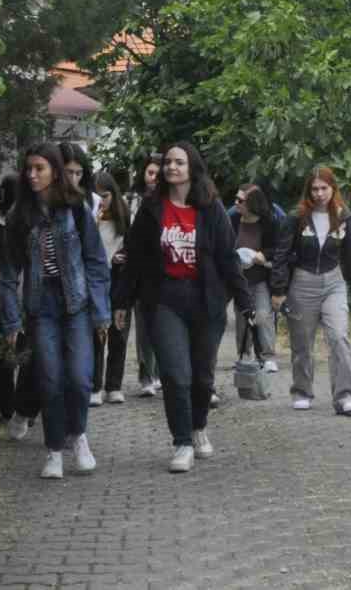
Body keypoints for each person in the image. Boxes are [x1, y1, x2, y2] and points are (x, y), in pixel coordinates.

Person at [113, 142, 256, 473]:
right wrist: (122, 300)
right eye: (167, 163)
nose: (171, 167)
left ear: (192, 168)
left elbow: (227, 258)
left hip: (206, 301)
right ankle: (182, 442)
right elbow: (134, 258)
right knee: (176, 374)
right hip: (165, 300)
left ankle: (198, 426)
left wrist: (245, 301)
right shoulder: (151, 208)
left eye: (178, 162)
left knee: (202, 377)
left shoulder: (211, 208)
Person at [0, 142, 112, 480]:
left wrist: (101, 312)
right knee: (49, 379)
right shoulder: (19, 216)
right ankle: (53, 451)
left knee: (79, 378)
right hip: (40, 308)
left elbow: (95, 261)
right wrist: (12, 321)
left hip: (75, 304)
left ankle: (78, 436)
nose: (33, 175)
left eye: (40, 168)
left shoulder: (76, 207)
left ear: (55, 171)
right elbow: (8, 275)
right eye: (28, 169)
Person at [271, 166, 351, 415]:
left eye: (324, 188)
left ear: (333, 189)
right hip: (303, 282)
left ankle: (344, 395)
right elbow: (280, 255)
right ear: (308, 191)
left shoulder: (345, 217)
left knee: (339, 338)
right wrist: (278, 289)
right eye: (315, 189)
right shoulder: (296, 217)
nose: (320, 193)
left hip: (334, 282)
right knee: (302, 343)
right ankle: (302, 391)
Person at [0, 177, 39, 431]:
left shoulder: (34, 226)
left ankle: (25, 407)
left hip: (29, 299)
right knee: (5, 355)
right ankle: (7, 406)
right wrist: (6, 278)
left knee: (28, 357)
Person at [90, 171, 130, 406]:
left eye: (104, 196)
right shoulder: (88, 217)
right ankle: (95, 385)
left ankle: (113, 385)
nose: (101, 202)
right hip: (96, 282)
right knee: (97, 334)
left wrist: (121, 257)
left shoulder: (124, 218)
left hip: (119, 281)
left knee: (119, 333)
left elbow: (131, 248)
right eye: (96, 197)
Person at [229, 183, 279, 372]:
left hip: (261, 277)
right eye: (236, 199)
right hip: (238, 278)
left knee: (263, 315)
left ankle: (267, 356)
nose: (236, 203)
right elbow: (224, 243)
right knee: (242, 318)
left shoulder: (269, 222)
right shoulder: (232, 218)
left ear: (252, 203)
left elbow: (277, 249)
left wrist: (262, 256)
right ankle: (244, 355)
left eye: (240, 200)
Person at [128, 152, 163, 398]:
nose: (153, 178)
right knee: (144, 328)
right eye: (150, 173)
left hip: (166, 273)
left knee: (164, 327)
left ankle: (161, 373)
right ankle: (146, 376)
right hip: (140, 272)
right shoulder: (131, 200)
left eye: (158, 175)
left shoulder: (174, 201)